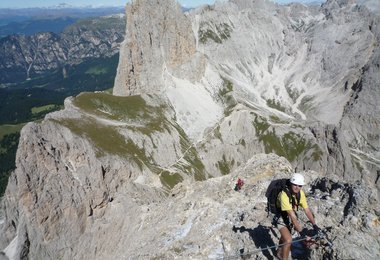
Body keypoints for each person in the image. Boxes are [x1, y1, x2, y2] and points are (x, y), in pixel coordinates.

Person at [274, 173, 319, 260]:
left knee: (285, 234)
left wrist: (314, 225)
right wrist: (301, 233)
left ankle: (279, 252)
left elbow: (307, 210)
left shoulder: (300, 193)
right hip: (279, 216)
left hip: (288, 216)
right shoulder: (284, 195)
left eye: (300, 185)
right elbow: (292, 216)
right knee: (288, 240)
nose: (297, 187)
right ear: (291, 183)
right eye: (295, 184)